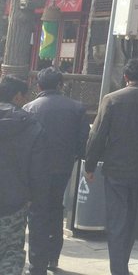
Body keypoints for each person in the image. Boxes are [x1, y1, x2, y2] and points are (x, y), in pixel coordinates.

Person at [84, 59, 138, 275]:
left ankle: (119, 269)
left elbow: (97, 135)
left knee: (117, 220)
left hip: (116, 169)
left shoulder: (112, 100)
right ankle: (123, 267)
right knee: (132, 219)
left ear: (125, 77)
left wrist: (90, 165)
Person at [23, 67, 89, 275]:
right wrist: (74, 156)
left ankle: (37, 264)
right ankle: (53, 256)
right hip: (63, 167)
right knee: (55, 208)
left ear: (39, 85)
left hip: (36, 170)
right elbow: (83, 141)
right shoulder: (77, 108)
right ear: (61, 85)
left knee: (37, 213)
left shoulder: (29, 108)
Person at [0, 77, 47, 275]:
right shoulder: (31, 126)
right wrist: (34, 198)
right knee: (11, 251)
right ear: (17, 96)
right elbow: (38, 170)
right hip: (14, 202)